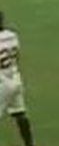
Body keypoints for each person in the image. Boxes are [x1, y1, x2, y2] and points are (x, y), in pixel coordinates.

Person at [0, 10, 35, 145]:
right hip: (15, 78)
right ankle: (29, 143)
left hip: (1, 83)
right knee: (20, 113)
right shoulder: (12, 36)